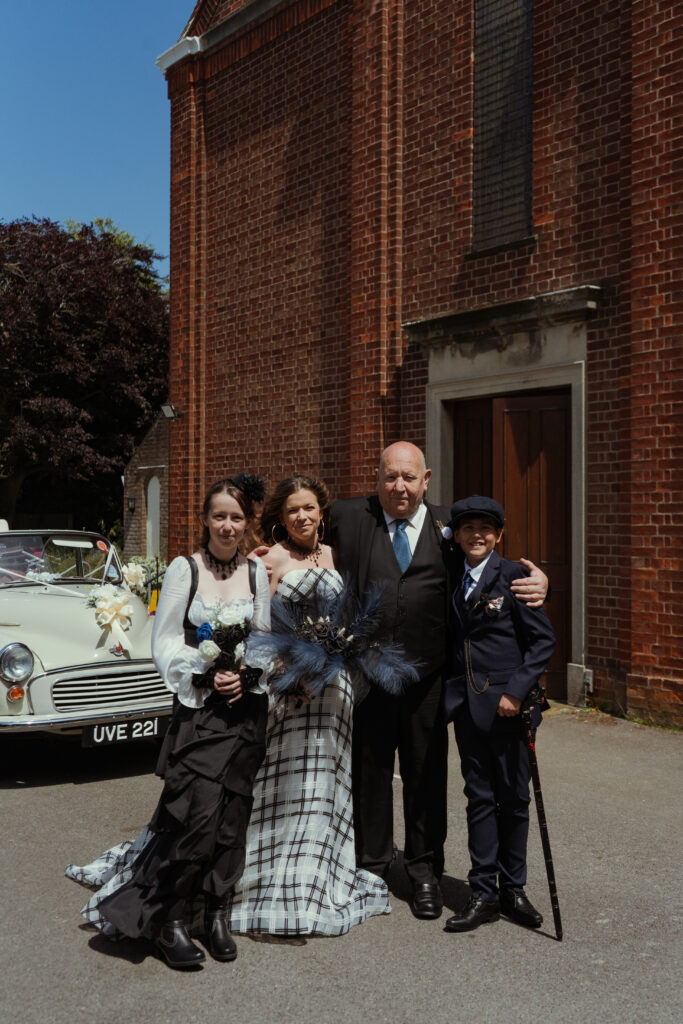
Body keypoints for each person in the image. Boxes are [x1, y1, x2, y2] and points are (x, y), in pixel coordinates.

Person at [329, 441, 548, 920]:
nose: (399, 486)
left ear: (426, 479)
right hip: (369, 674)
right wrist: (263, 555)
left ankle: (424, 871)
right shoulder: (347, 517)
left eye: (409, 477)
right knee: (369, 775)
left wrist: (539, 582)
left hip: (431, 680)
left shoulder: (453, 524)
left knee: (426, 775)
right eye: (390, 476)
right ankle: (374, 866)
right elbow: (295, 527)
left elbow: (493, 561)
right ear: (377, 478)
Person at [66, 476, 270, 968]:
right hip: (201, 713)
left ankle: (217, 912)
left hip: (247, 712)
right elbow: (163, 643)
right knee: (193, 816)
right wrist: (205, 673)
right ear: (205, 519)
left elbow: (265, 637)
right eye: (219, 515)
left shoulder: (258, 572)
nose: (227, 525)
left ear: (247, 524)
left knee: (231, 818)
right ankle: (169, 918)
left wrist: (247, 674)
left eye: (237, 517)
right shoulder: (186, 569)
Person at [227, 474, 391, 935]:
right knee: (282, 781)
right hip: (290, 687)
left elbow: (350, 616)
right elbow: (256, 624)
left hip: (335, 688)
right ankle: (273, 872)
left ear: (323, 512)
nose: (302, 516)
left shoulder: (339, 556)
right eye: (292, 510)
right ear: (281, 517)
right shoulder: (268, 560)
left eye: (309, 508)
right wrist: (287, 669)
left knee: (327, 782)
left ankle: (320, 875)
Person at [442, 495, 556, 933]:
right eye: (468, 527)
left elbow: (543, 642)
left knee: (515, 799)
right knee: (480, 798)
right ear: (457, 534)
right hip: (467, 706)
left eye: (486, 529)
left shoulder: (515, 578)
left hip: (510, 708)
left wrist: (516, 691)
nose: (477, 535)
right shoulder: (452, 574)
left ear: (499, 535)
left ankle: (514, 889)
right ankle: (483, 892)